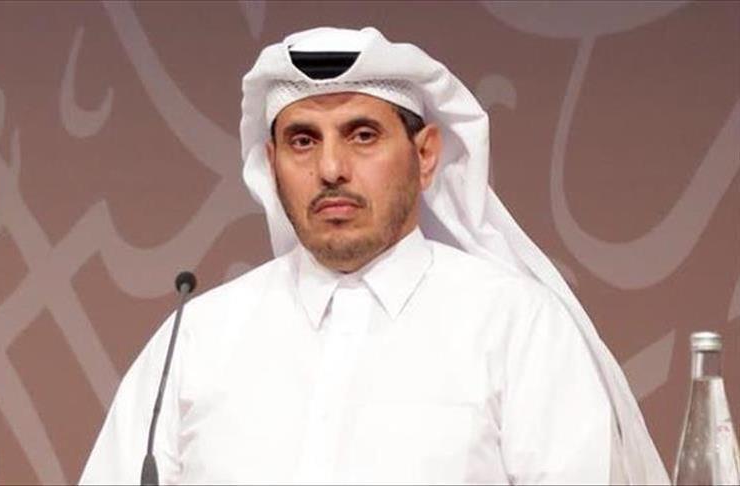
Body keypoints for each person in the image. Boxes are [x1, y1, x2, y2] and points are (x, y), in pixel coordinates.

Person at [80, 27, 668, 484]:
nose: (331, 168)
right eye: (303, 140)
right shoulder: (197, 338)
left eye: (362, 135)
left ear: (426, 154)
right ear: (272, 162)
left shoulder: (516, 326)